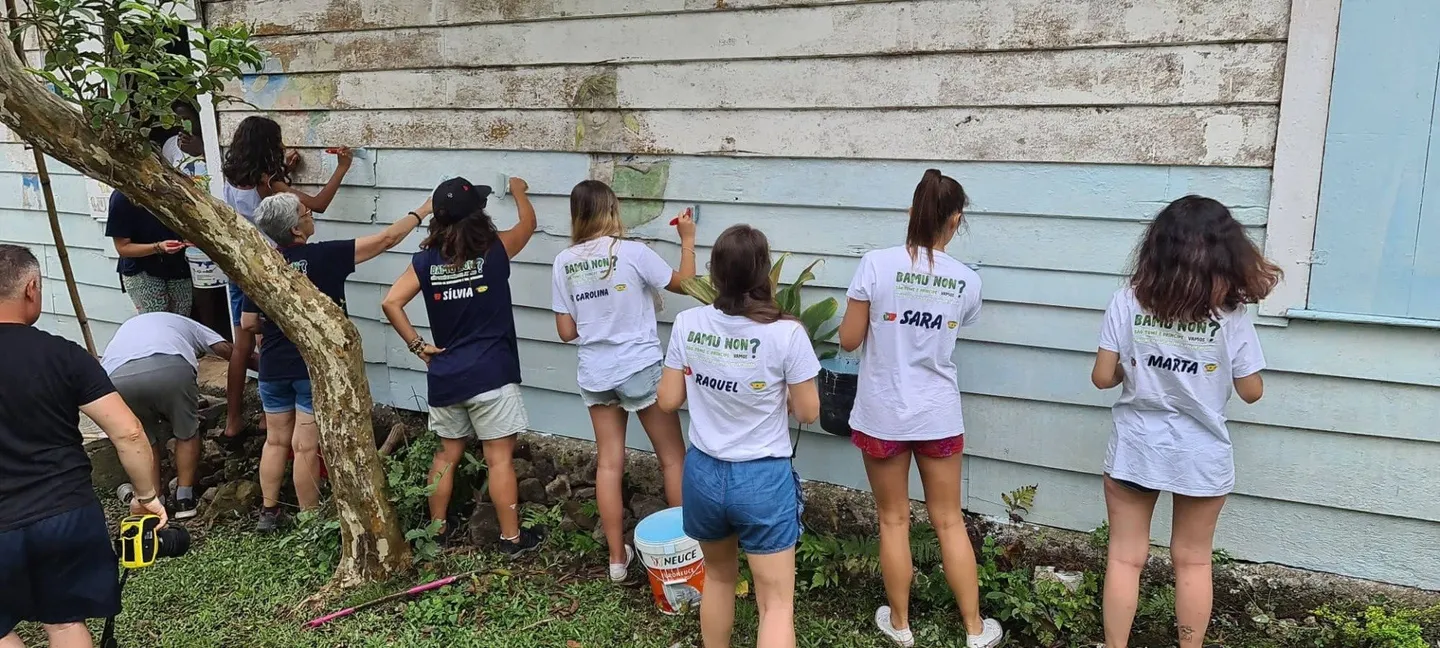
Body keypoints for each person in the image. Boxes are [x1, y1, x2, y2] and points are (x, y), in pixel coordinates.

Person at [1090, 195, 1278, 648]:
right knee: (1193, 561)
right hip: (1201, 453)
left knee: (1125, 558)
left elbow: (1102, 377)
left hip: (1137, 446)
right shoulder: (1231, 315)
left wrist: (1134, 369)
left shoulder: (1127, 300)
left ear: (1156, 247)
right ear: (1227, 252)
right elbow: (1252, 391)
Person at [837, 169, 1002, 648]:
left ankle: (901, 624)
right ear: (956, 220)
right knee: (949, 520)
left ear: (911, 213)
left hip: (882, 412)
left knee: (893, 520)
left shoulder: (874, 264)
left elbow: (849, 340)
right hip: (938, 414)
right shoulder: (967, 281)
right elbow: (954, 326)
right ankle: (974, 628)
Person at [657, 225, 821, 648]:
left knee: (717, 578)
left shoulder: (688, 322)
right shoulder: (787, 333)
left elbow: (668, 399)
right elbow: (809, 412)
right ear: (764, 273)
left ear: (714, 273)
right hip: (762, 478)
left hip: (703, 473)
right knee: (776, 604)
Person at [0, 244, 167, 648]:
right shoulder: (63, 354)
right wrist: (147, 496)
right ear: (31, 288)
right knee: (64, 623)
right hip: (65, 513)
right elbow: (128, 432)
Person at [242, 191, 430, 532]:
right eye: (305, 212)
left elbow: (248, 323)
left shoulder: (263, 266)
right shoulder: (324, 256)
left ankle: (268, 513)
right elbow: (387, 239)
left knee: (276, 440)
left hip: (272, 366)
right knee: (304, 446)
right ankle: (309, 520)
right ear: (296, 229)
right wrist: (424, 209)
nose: (310, 214)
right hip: (310, 367)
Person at [381, 176, 543, 557]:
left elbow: (391, 302)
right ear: (478, 215)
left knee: (445, 456)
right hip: (492, 374)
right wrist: (519, 192)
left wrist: (418, 346)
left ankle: (436, 533)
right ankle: (511, 540)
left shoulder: (425, 261)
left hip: (446, 375)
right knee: (498, 459)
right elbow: (528, 225)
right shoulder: (495, 249)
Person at [551, 180, 695, 581]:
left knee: (609, 464)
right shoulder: (633, 253)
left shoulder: (563, 261)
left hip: (595, 373)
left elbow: (566, 331)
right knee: (672, 458)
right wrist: (687, 239)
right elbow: (685, 284)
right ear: (611, 209)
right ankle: (686, 548)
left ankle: (617, 560)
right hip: (638, 366)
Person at [219, 118, 351, 441]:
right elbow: (317, 204)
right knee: (270, 337)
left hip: (239, 266)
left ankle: (234, 421)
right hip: (268, 269)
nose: (281, 146)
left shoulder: (233, 177)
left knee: (242, 344)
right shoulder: (267, 182)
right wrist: (342, 168)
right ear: (266, 146)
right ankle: (271, 418)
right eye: (277, 142)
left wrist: (285, 173)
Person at [103, 312, 233, 520]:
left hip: (119, 377)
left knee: (142, 438)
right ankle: (185, 498)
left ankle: (152, 499)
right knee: (187, 431)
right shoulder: (189, 324)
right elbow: (225, 349)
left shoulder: (127, 327)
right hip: (171, 370)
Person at [105, 189, 191, 315]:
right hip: (142, 270)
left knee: (181, 320)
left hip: (179, 267)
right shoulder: (122, 197)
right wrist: (158, 247)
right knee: (157, 320)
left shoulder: (171, 189)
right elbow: (122, 248)